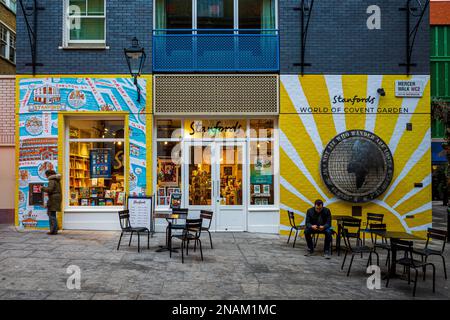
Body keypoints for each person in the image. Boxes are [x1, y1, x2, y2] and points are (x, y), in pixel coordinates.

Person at [41, 169, 62, 235]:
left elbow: (50, 189)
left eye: (46, 175)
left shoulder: (52, 180)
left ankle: (53, 231)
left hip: (53, 199)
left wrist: (42, 188)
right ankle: (55, 228)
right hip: (56, 198)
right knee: (52, 214)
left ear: (48, 175)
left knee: (51, 214)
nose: (46, 177)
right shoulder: (56, 180)